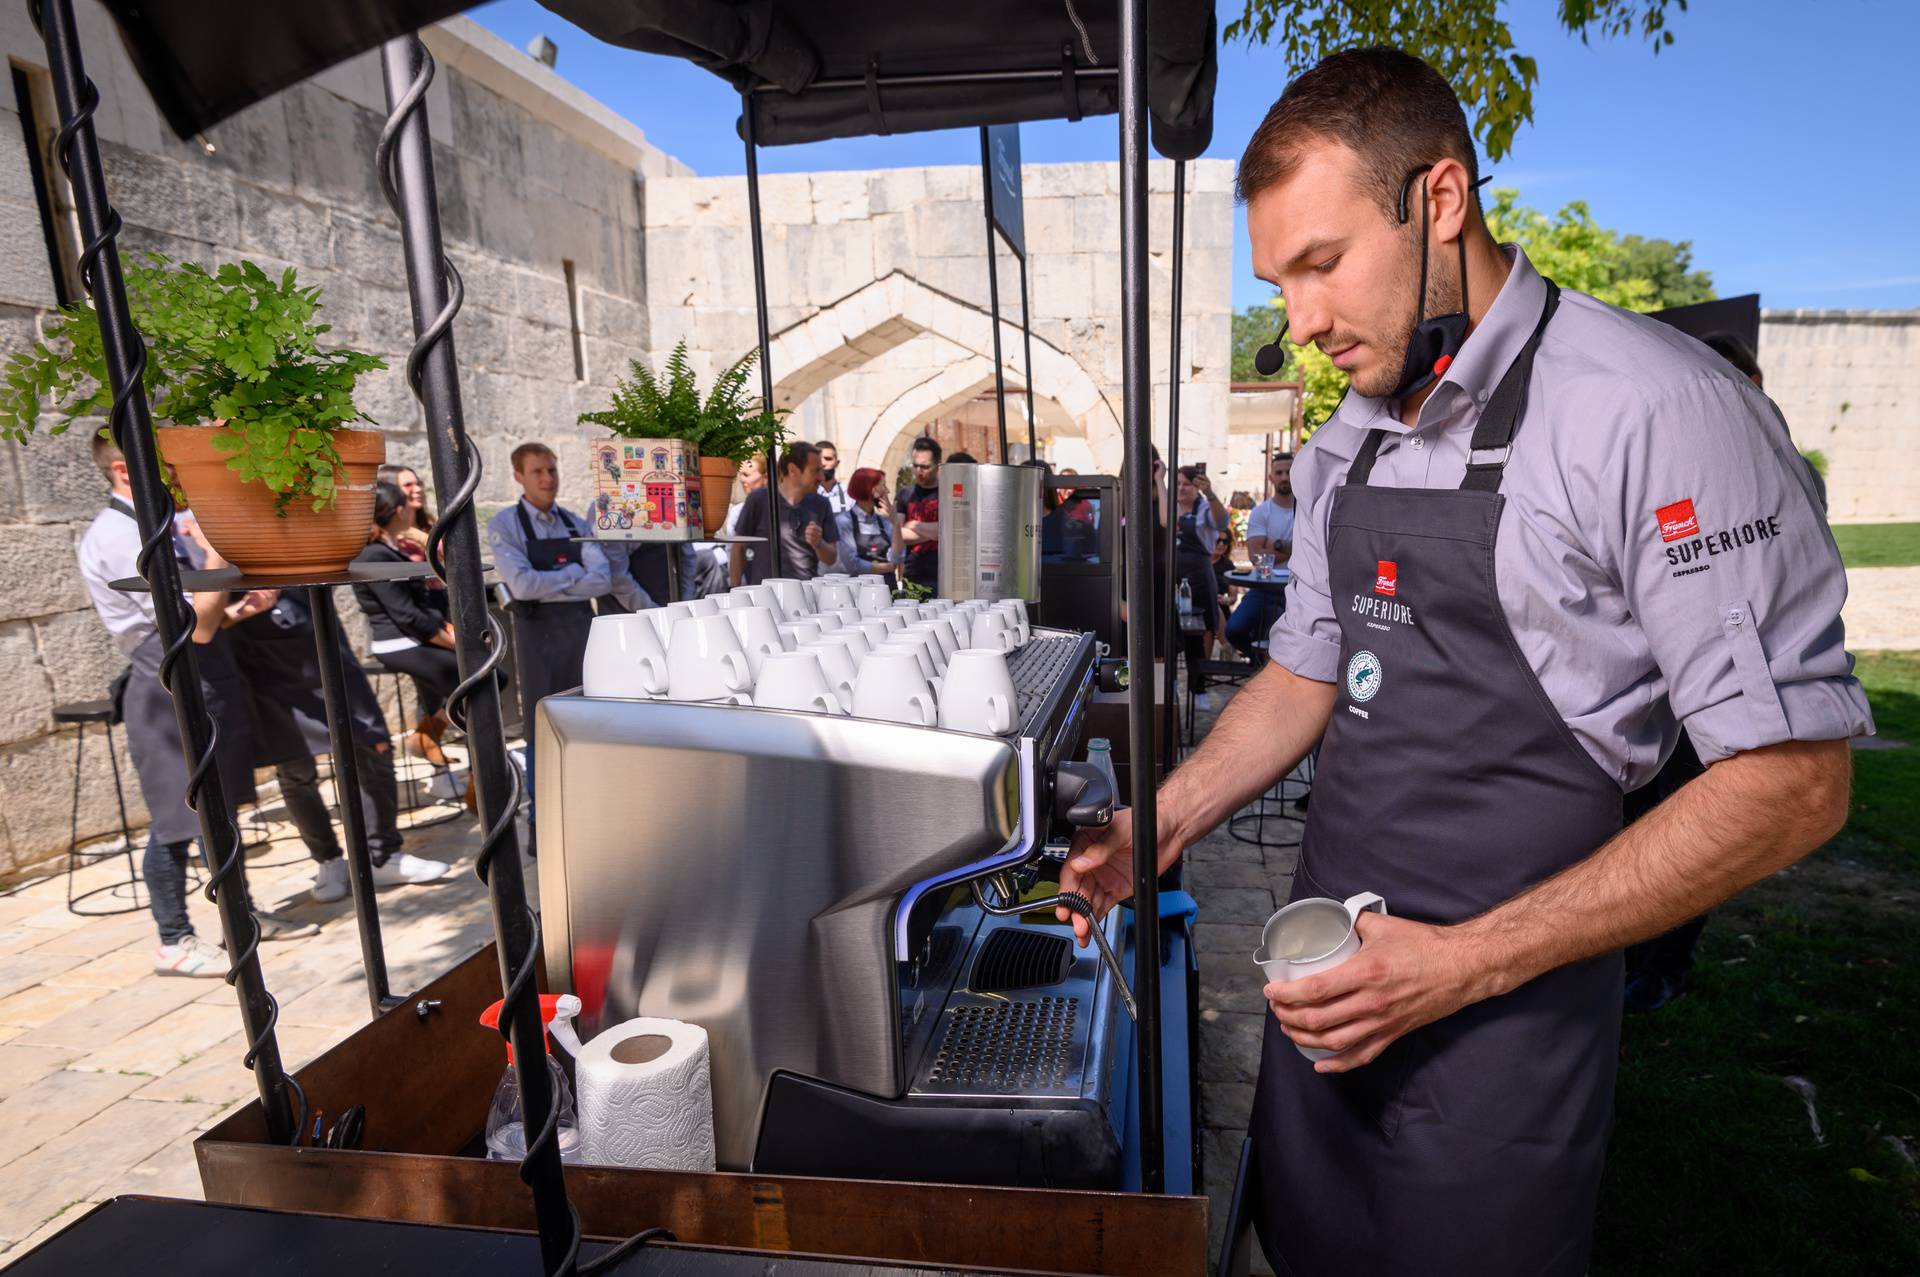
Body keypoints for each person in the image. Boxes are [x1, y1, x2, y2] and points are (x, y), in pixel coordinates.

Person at [1059, 47, 1869, 1277]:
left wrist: (1460, 964)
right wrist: (1157, 823)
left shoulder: (1653, 411)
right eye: (1282, 283)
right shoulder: (1345, 444)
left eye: (1323, 266)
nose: (1302, 325)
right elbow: (1305, 675)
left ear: (1441, 201)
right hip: (1328, 979)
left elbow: (1794, 780)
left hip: (1507, 1012)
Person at [77, 435, 317, 975]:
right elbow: (192, 626)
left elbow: (206, 622)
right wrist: (215, 551)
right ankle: (173, 940)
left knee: (220, 810)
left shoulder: (156, 525)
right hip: (163, 683)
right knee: (175, 819)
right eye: (166, 466)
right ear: (124, 468)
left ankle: (241, 919)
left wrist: (241, 611)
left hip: (201, 673)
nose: (179, 475)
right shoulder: (119, 535)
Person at [224, 582, 448, 903]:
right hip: (264, 662)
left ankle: (381, 856)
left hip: (320, 641)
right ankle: (328, 860)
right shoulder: (206, 545)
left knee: (374, 746)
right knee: (295, 769)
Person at [487, 442, 645, 853]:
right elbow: (519, 585)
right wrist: (572, 573)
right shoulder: (506, 525)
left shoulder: (576, 523)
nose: (548, 479)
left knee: (589, 721)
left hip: (580, 632)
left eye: (552, 470)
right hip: (537, 638)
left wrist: (550, 580)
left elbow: (602, 581)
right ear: (519, 476)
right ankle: (543, 826)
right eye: (538, 471)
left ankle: (590, 816)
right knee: (543, 729)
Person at [355, 481, 463, 756]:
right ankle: (478, 775)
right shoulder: (375, 554)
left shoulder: (386, 550)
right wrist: (451, 642)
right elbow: (406, 614)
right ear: (398, 511)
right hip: (399, 641)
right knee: (481, 682)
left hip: (413, 635)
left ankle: (426, 737)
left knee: (485, 679)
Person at [728, 441, 841, 584]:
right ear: (793, 470)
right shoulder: (759, 500)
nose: (822, 477)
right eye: (815, 471)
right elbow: (738, 548)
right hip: (764, 597)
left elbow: (831, 558)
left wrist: (818, 543)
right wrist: (736, 591)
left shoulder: (821, 504)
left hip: (806, 596)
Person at [1162, 464, 1227, 709]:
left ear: (1196, 486)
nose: (1181, 488)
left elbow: (1222, 523)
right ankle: (1167, 685)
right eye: (1177, 483)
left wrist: (1210, 494)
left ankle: (1199, 685)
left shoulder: (1204, 509)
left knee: (1203, 629)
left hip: (1200, 574)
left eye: (1186, 483)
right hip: (1171, 574)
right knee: (1172, 629)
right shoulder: (1168, 507)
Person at [1228, 451, 1296, 659]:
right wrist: (1293, 549)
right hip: (1263, 587)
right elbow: (1256, 556)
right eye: (1279, 472)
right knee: (1234, 629)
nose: (1284, 477)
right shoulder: (1261, 512)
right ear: (1271, 477)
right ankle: (1259, 662)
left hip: (1297, 589)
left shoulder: (1308, 510)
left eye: (1289, 471)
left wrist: (1273, 545)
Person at [896, 436, 943, 593]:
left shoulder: (947, 493)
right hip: (912, 574)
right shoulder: (905, 494)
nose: (918, 471)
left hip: (941, 574)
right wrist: (935, 532)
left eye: (925, 467)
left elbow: (948, 530)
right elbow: (898, 534)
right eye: (915, 466)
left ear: (937, 465)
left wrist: (914, 525)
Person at [833, 467, 897, 577]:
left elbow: (898, 557)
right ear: (872, 489)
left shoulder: (885, 522)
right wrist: (888, 567)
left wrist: (896, 523)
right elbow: (852, 565)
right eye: (883, 485)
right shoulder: (844, 522)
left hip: (888, 589)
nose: (887, 491)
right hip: (859, 589)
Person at [814, 440, 850, 516]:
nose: (823, 463)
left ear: (837, 463)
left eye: (828, 459)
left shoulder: (848, 492)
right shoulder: (806, 494)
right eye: (819, 459)